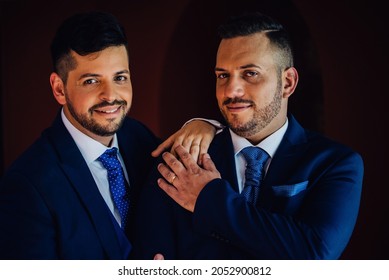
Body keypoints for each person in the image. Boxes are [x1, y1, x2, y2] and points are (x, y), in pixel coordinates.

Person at [132, 12, 364, 259]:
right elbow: (152, 261)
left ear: (287, 83)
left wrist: (208, 199)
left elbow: (314, 255)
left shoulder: (336, 164)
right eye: (223, 75)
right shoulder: (179, 161)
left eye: (250, 73)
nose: (231, 90)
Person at [0, 11, 217, 260]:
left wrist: (207, 125)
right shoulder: (27, 185)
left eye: (120, 78)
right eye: (92, 81)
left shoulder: (140, 138)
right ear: (59, 89)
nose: (111, 95)